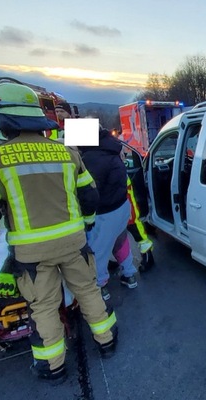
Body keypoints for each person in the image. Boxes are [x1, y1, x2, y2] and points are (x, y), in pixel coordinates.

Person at [0, 78, 117, 384]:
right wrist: (86, 223)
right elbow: (90, 195)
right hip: (74, 242)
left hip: (32, 253)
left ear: (5, 120)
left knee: (44, 305)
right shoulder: (67, 153)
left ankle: (53, 366)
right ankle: (107, 341)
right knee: (88, 290)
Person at [78, 125, 139, 300]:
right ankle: (129, 274)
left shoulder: (91, 158)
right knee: (120, 242)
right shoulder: (111, 150)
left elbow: (89, 192)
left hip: (104, 213)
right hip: (121, 207)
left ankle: (101, 285)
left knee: (98, 250)